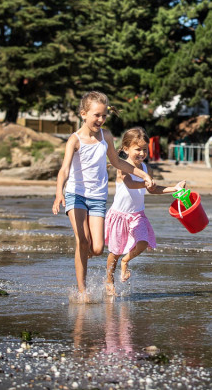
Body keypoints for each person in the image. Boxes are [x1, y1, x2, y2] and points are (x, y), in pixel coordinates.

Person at [52, 91, 154, 299]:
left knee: (97, 248)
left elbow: (118, 162)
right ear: (83, 114)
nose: (100, 120)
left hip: (98, 198)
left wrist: (143, 173)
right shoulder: (74, 140)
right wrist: (58, 194)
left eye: (104, 116)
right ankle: (82, 291)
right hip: (75, 194)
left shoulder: (106, 136)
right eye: (96, 115)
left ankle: (85, 255)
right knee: (82, 240)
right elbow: (64, 170)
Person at [104, 127, 184, 295]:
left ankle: (126, 261)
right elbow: (131, 185)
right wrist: (146, 183)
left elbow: (153, 190)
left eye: (144, 149)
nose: (141, 153)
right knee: (115, 252)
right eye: (137, 149)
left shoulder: (147, 169)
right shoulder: (122, 167)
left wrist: (174, 189)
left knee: (143, 242)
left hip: (137, 215)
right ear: (126, 149)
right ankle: (109, 279)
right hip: (120, 215)